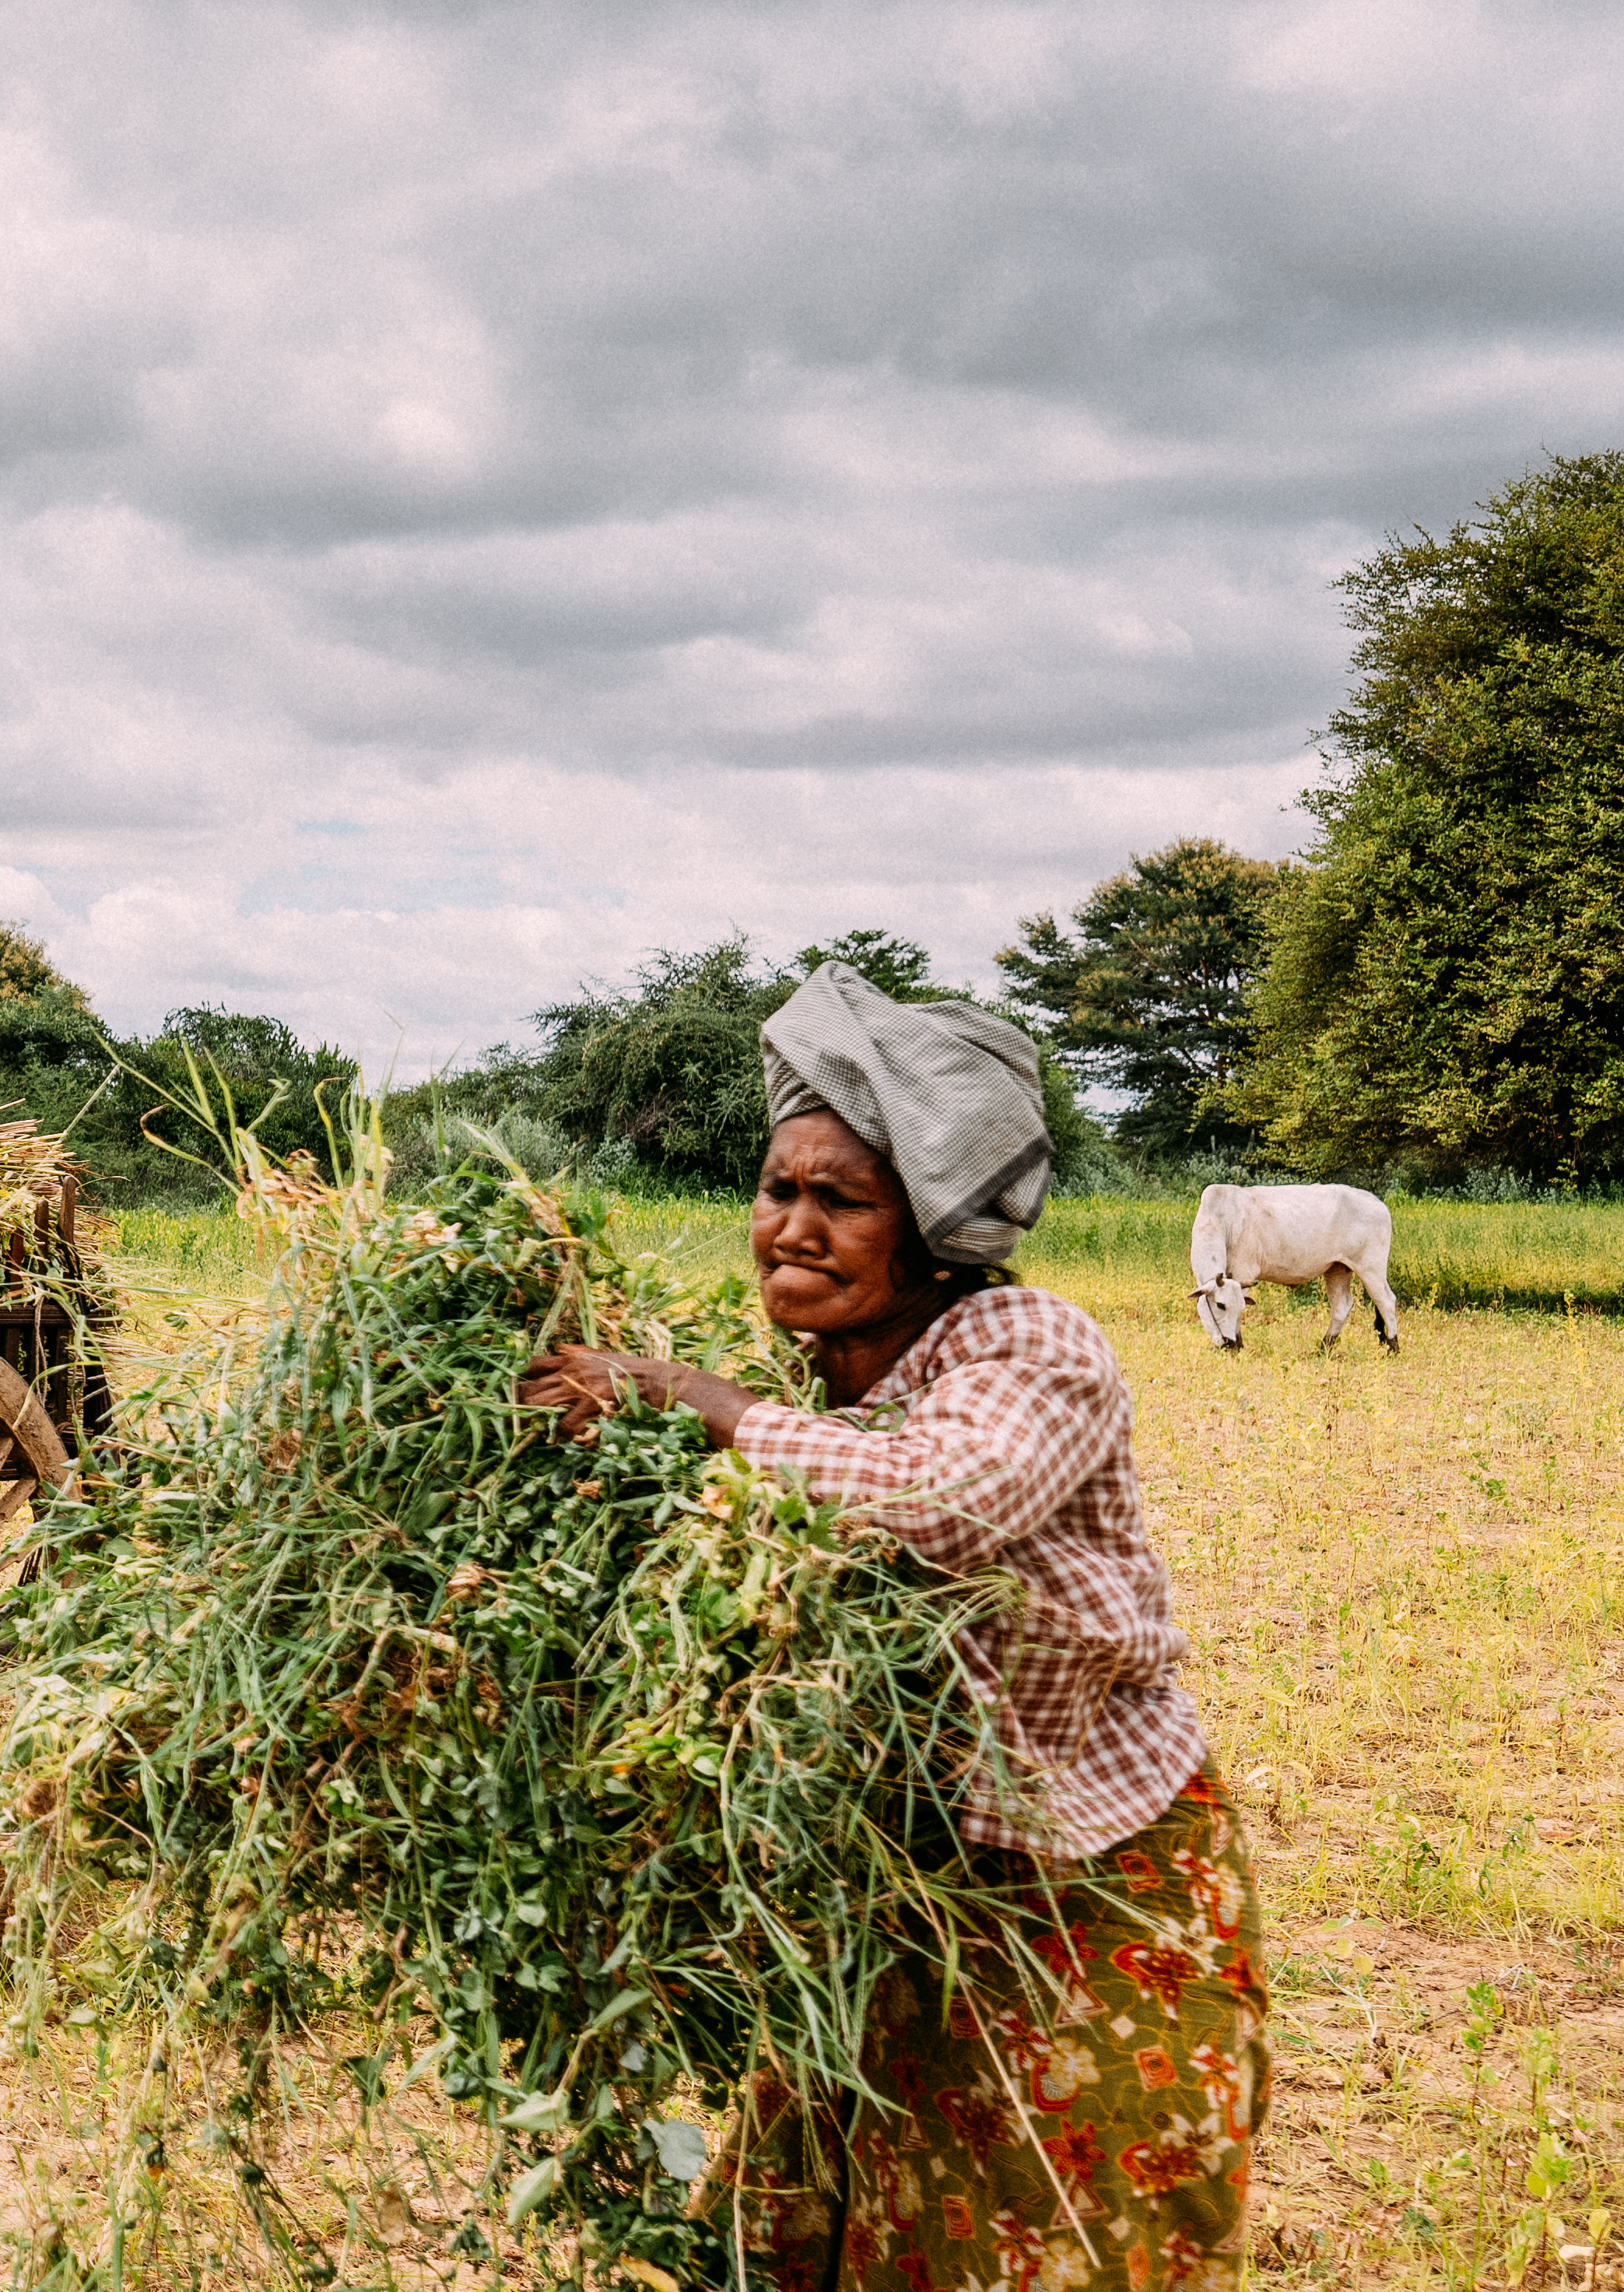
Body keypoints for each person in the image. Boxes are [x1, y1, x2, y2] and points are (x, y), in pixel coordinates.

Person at [517, 968, 1265, 2288]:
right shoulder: (806, 1375)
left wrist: (702, 1402)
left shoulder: (1030, 1348)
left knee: (1066, 2226)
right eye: (777, 1189)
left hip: (1074, 1881)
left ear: (930, 1235)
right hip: (890, 1891)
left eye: (839, 1200)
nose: (790, 1227)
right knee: (821, 2222)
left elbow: (935, 1500)